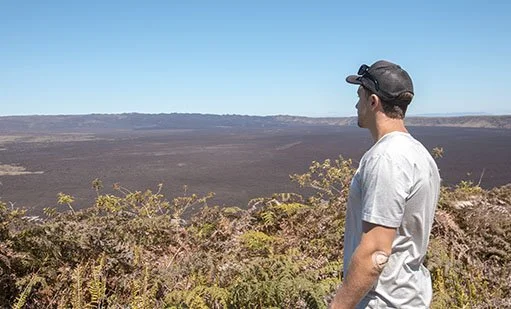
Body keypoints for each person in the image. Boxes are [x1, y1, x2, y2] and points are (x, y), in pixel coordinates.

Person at [329, 60, 441, 308]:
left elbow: (376, 254)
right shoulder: (418, 153)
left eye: (360, 96)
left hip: (383, 302)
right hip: (407, 297)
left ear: (373, 102)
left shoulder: (387, 158)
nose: (355, 104)